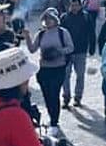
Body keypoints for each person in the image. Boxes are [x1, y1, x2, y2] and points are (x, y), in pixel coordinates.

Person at [24, 8, 73, 137]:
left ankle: (54, 121)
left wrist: (58, 51)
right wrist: (27, 36)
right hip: (44, 69)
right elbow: (32, 49)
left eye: (50, 19)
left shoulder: (63, 33)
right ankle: (52, 115)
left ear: (55, 20)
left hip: (58, 68)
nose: (47, 21)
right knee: (47, 95)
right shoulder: (41, 34)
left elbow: (70, 47)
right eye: (45, 19)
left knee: (54, 94)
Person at [61, 0, 96, 109]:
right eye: (72, 5)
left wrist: (92, 47)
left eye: (76, 5)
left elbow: (92, 32)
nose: (74, 7)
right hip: (67, 52)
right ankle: (66, 97)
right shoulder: (64, 17)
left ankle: (78, 97)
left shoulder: (86, 17)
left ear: (80, 6)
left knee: (80, 75)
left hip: (81, 50)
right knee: (65, 76)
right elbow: (60, 34)